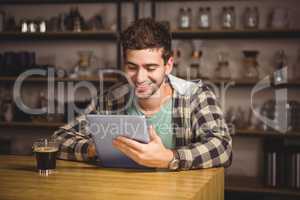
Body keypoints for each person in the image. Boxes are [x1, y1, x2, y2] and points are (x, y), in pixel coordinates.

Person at [52, 18, 232, 170]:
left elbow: (223, 147)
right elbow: (58, 140)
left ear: (168, 65)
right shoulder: (110, 99)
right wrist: (96, 147)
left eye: (151, 68)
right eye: (132, 67)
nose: (140, 78)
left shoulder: (195, 95)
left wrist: (170, 157)